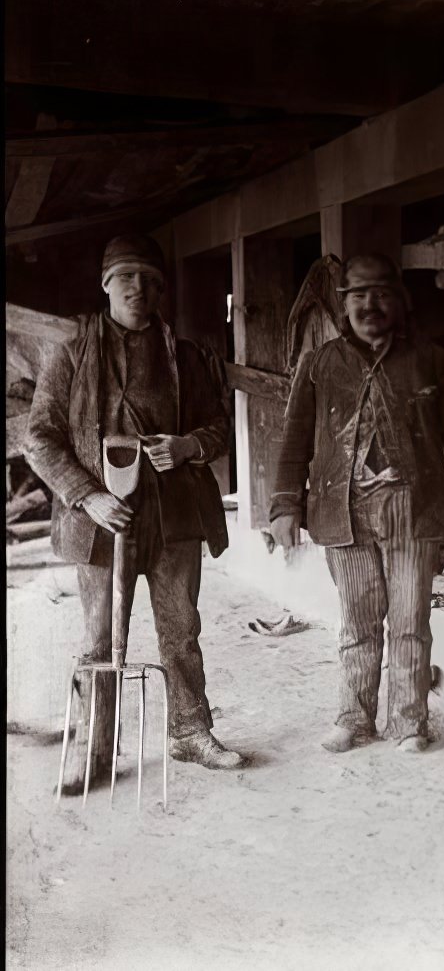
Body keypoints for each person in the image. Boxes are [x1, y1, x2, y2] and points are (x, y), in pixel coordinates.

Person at [26, 234, 245, 790]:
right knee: (99, 642)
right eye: (126, 277)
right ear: (105, 285)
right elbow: (41, 439)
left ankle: (190, 732)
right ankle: (94, 749)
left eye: (150, 280)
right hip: (100, 523)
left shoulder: (185, 355)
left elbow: (218, 428)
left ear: (162, 289)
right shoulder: (71, 353)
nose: (139, 289)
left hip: (173, 519)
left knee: (181, 631)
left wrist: (189, 446)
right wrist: (88, 495)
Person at [270, 253, 444, 754]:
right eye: (358, 296)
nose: (370, 305)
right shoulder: (320, 362)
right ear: (344, 304)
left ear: (400, 301)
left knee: (411, 620)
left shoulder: (430, 360)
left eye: (381, 294)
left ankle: (410, 723)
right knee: (358, 621)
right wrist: (285, 505)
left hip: (413, 509)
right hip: (341, 510)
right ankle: (353, 718)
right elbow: (293, 442)